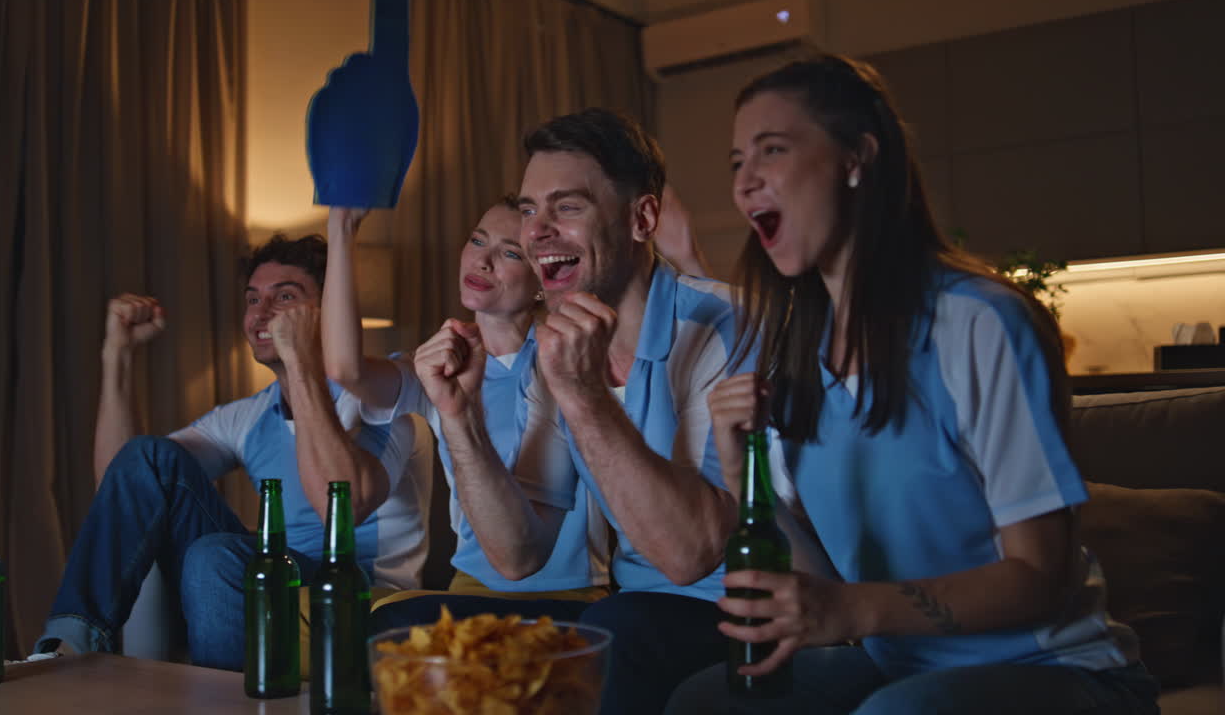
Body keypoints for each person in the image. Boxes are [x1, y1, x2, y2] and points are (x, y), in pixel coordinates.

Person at [663, 50, 1159, 714]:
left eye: (771, 151)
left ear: (856, 157)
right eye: (735, 164)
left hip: (1056, 669)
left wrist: (852, 610)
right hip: (894, 666)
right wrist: (737, 468)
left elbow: (1042, 576)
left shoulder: (979, 322)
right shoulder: (794, 354)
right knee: (707, 704)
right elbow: (822, 587)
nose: (745, 182)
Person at [412, 108, 829, 715]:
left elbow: (690, 555)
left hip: (761, 611)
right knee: (418, 631)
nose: (537, 231)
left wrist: (582, 396)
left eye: (568, 207)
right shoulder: (561, 345)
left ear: (643, 219)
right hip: (634, 609)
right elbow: (517, 554)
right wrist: (459, 416)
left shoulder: (729, 327)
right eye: (529, 210)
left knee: (623, 626)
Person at [35, 235, 429, 673]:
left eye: (284, 297)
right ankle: (66, 649)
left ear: (329, 311)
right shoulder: (250, 415)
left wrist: (301, 358)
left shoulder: (379, 394)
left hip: (358, 586)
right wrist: (118, 357)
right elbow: (124, 483)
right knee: (152, 457)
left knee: (215, 556)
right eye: (252, 299)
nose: (260, 315)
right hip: (276, 573)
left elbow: (346, 504)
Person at [321, 198, 612, 627]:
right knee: (355, 623)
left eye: (510, 252)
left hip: (567, 596)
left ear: (539, 278)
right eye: (477, 241)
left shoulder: (567, 357)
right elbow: (346, 370)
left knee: (384, 628)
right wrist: (341, 230)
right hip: (469, 589)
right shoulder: (442, 361)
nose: (483, 260)